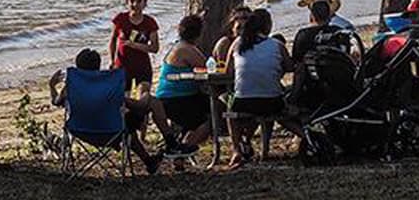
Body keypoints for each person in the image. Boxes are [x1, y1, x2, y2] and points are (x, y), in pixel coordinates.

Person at [49, 48, 196, 172]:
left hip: (80, 130)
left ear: (78, 67)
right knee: (150, 103)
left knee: (127, 126)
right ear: (99, 66)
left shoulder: (71, 86)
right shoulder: (107, 83)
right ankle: (171, 144)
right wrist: (141, 99)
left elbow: (56, 103)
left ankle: (149, 161)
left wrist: (52, 86)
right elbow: (135, 106)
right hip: (112, 130)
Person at [225, 10, 305, 169]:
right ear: (267, 26)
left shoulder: (238, 43)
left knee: (230, 112)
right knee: (279, 112)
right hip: (271, 101)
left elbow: (228, 72)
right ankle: (306, 136)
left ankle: (236, 151)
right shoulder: (276, 45)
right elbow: (290, 67)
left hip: (244, 102)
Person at [153, 15, 213, 149]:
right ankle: (184, 148)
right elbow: (207, 68)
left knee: (205, 107)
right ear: (199, 34)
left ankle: (181, 151)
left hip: (170, 97)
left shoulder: (178, 46)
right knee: (214, 116)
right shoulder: (186, 49)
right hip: (177, 99)